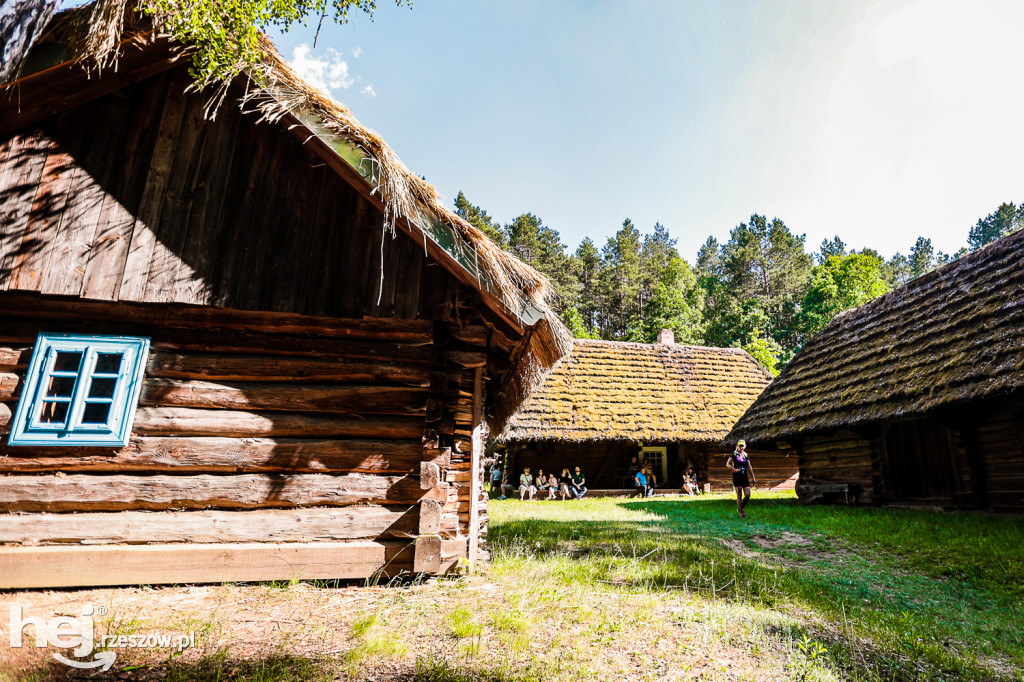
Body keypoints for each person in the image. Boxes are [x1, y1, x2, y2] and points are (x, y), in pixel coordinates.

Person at [726, 440, 756, 518]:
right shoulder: (734, 454)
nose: (741, 447)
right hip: (736, 476)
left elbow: (749, 466)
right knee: (739, 495)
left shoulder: (746, 455)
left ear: (745, 446)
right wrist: (734, 469)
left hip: (744, 476)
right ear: (737, 446)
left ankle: (740, 508)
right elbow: (727, 464)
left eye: (743, 446)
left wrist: (753, 477)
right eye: (740, 445)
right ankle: (742, 513)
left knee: (748, 495)